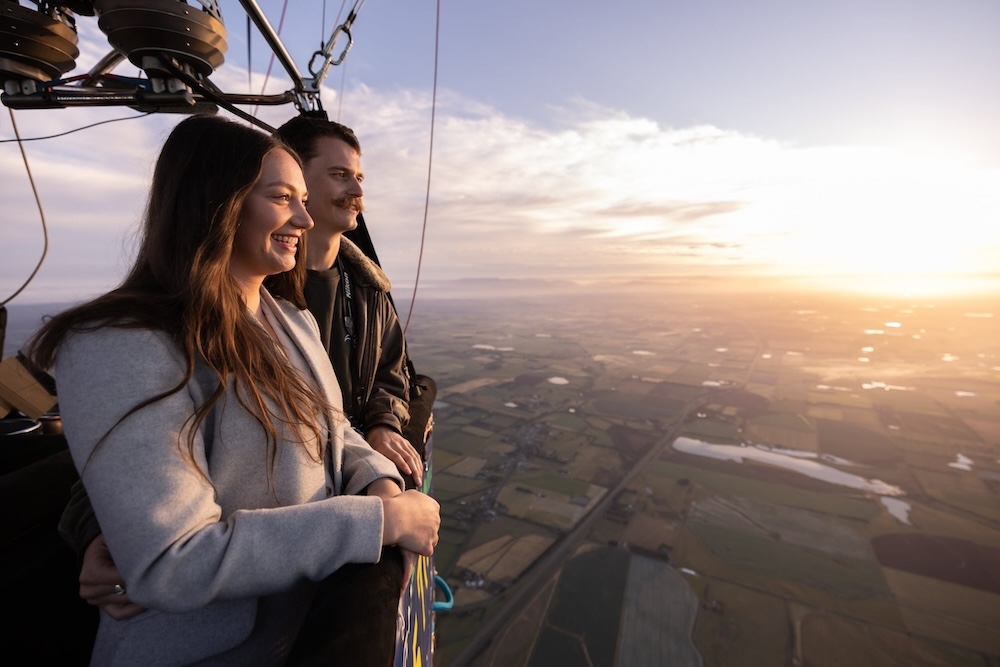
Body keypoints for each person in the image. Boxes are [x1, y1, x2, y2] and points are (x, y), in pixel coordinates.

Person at [27, 114, 440, 666]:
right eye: (282, 197)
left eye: (301, 197)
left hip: (304, 627)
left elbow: (333, 426)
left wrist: (377, 482)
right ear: (218, 203)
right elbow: (173, 559)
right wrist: (378, 523)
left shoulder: (290, 319)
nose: (303, 214)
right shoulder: (122, 346)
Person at [275, 115, 425, 488]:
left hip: (355, 470)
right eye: (340, 175)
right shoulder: (253, 289)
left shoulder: (369, 291)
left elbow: (390, 375)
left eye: (359, 178)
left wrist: (381, 425)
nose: (357, 192)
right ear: (296, 180)